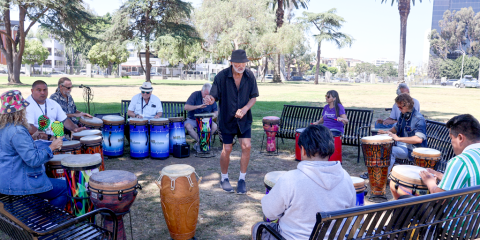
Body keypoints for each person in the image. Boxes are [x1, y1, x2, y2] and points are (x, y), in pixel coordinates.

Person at [251, 125, 356, 240]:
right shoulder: (345, 177)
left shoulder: (291, 179)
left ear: (304, 150)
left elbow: (270, 213)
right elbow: (350, 212)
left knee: (256, 227)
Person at [204, 49, 259, 194]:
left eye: (244, 63)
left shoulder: (250, 75)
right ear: (232, 63)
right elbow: (213, 96)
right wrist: (210, 99)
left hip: (244, 119)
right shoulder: (221, 76)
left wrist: (245, 109)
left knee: (246, 146)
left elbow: (253, 97)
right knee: (227, 149)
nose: (241, 66)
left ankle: (242, 179)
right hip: (227, 119)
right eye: (238, 63)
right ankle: (224, 178)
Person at [0, 90, 67, 209]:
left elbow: (12, 150)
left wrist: (31, 138)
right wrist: (52, 147)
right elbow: (33, 160)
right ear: (20, 110)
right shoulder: (17, 131)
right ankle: (47, 223)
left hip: (7, 180)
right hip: (20, 183)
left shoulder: (4, 127)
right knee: (67, 188)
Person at [419, 114, 480, 193]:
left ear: (460, 138)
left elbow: (440, 198)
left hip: (459, 205)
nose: (451, 142)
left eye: (451, 138)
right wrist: (442, 176)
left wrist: (430, 182)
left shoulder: (460, 161)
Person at [379, 93, 427, 172]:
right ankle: (382, 175)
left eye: (400, 107)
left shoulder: (419, 119)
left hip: (413, 149)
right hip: (404, 147)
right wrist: (386, 132)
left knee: (390, 151)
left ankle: (382, 178)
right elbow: (396, 128)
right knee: (384, 148)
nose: (399, 109)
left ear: (407, 106)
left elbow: (419, 139)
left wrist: (398, 138)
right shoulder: (403, 114)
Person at [184, 83, 218, 152]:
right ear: (201, 90)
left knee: (214, 126)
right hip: (193, 119)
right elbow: (186, 107)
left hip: (206, 120)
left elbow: (216, 112)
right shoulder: (195, 95)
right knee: (187, 126)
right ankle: (202, 142)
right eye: (205, 94)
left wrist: (213, 115)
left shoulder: (211, 98)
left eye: (208, 95)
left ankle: (200, 143)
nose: (206, 96)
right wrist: (198, 106)